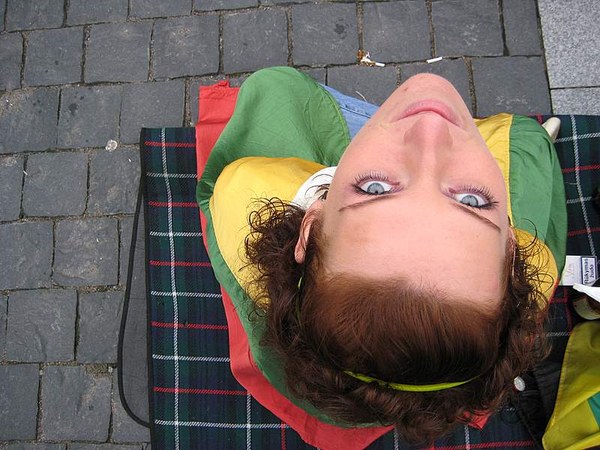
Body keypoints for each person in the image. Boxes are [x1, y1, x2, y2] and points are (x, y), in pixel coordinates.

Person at [196, 66, 567, 445]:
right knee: (524, 150)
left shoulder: (246, 198)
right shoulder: (534, 268)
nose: (430, 130)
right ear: (513, 251)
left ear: (309, 226)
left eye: (374, 188)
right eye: (472, 201)